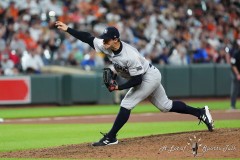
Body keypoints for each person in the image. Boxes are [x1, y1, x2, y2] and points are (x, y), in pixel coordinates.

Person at [55, 21, 214, 147]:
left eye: (107, 39)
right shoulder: (105, 45)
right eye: (103, 39)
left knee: (127, 103)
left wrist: (118, 87)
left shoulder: (129, 56)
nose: (104, 42)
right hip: (147, 74)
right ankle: (201, 112)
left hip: (147, 77)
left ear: (116, 39)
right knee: (165, 106)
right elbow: (87, 37)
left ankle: (111, 137)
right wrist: (68, 29)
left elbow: (137, 80)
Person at [230, 39, 240, 110]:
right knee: (234, 91)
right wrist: (237, 74)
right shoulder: (235, 53)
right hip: (236, 74)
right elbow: (233, 65)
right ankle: (232, 106)